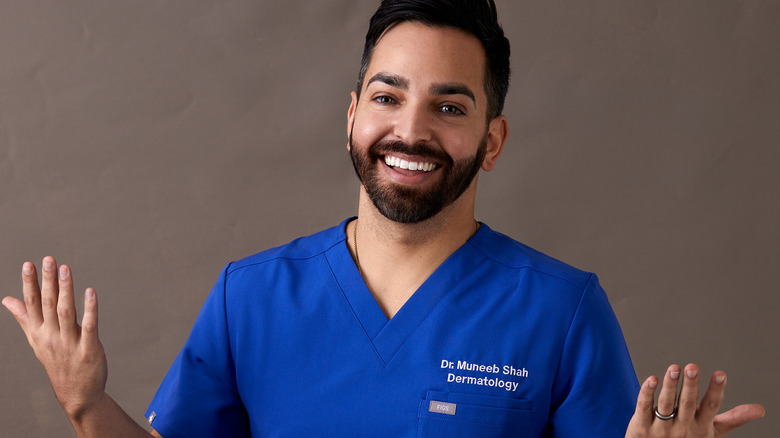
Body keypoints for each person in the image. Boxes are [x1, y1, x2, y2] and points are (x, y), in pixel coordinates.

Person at [2, 1, 765, 437]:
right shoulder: (251, 298)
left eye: (450, 106)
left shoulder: (563, 312)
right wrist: (88, 404)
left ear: (491, 142)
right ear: (352, 118)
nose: (411, 129)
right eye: (388, 96)